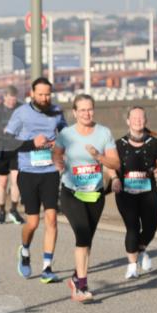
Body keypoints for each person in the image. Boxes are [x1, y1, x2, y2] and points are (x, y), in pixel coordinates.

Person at [53, 95, 120, 302]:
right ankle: (82, 286)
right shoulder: (66, 134)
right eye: (82, 110)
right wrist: (58, 163)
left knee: (87, 239)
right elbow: (56, 154)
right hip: (72, 192)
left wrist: (99, 157)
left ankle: (75, 277)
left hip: (95, 193)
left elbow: (115, 163)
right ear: (74, 112)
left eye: (89, 109)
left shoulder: (104, 133)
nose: (86, 113)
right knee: (82, 235)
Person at [4, 77, 66, 283]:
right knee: (32, 222)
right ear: (32, 93)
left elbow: (66, 134)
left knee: (51, 219)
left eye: (48, 94)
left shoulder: (57, 112)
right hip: (28, 172)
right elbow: (7, 141)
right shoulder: (21, 113)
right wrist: (31, 143)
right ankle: (24, 250)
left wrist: (60, 143)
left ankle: (47, 267)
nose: (44, 98)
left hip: (49, 172)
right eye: (40, 94)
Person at [111, 106, 157, 279]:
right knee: (132, 227)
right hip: (126, 192)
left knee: (151, 227)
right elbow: (110, 165)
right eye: (134, 118)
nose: (138, 121)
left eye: (141, 118)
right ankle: (132, 266)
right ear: (128, 121)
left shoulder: (154, 143)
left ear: (145, 120)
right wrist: (114, 179)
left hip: (148, 191)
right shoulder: (119, 144)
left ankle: (141, 250)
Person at [0, 85, 25, 225]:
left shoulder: (22, 108)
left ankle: (13, 210)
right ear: (5, 97)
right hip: (0, 150)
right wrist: (4, 132)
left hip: (16, 149)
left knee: (17, 180)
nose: (13, 101)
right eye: (10, 99)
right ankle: (1, 211)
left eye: (15, 99)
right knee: (2, 182)